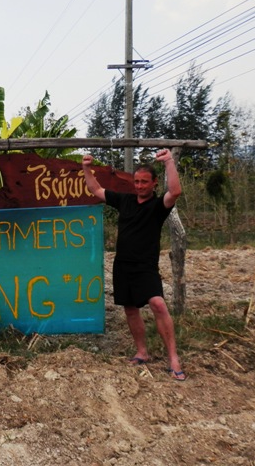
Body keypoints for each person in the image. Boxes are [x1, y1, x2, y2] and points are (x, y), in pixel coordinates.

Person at [81, 149, 186, 381]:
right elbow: (96, 190)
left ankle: (173, 358)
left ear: (154, 183)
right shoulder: (125, 200)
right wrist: (86, 168)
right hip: (122, 265)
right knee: (130, 309)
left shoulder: (159, 206)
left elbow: (175, 191)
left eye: (144, 182)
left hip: (145, 267)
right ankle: (142, 352)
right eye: (137, 182)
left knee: (158, 304)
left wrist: (169, 161)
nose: (139, 186)